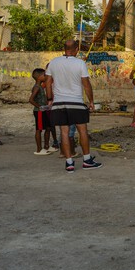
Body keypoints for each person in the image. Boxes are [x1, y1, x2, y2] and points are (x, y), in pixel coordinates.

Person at [45, 40, 102, 172]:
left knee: (64, 133)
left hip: (59, 103)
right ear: (76, 49)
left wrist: (49, 99)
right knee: (82, 131)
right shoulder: (80, 63)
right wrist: (91, 101)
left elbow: (48, 82)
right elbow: (86, 84)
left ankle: (69, 162)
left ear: (64, 49)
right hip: (76, 103)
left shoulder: (53, 62)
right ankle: (87, 160)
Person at [29, 68, 58, 156]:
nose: (46, 76)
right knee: (39, 129)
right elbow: (31, 100)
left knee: (48, 128)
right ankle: (39, 149)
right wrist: (40, 107)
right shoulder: (37, 88)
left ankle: (46, 146)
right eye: (44, 75)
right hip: (39, 112)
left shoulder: (41, 87)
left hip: (44, 110)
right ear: (39, 77)